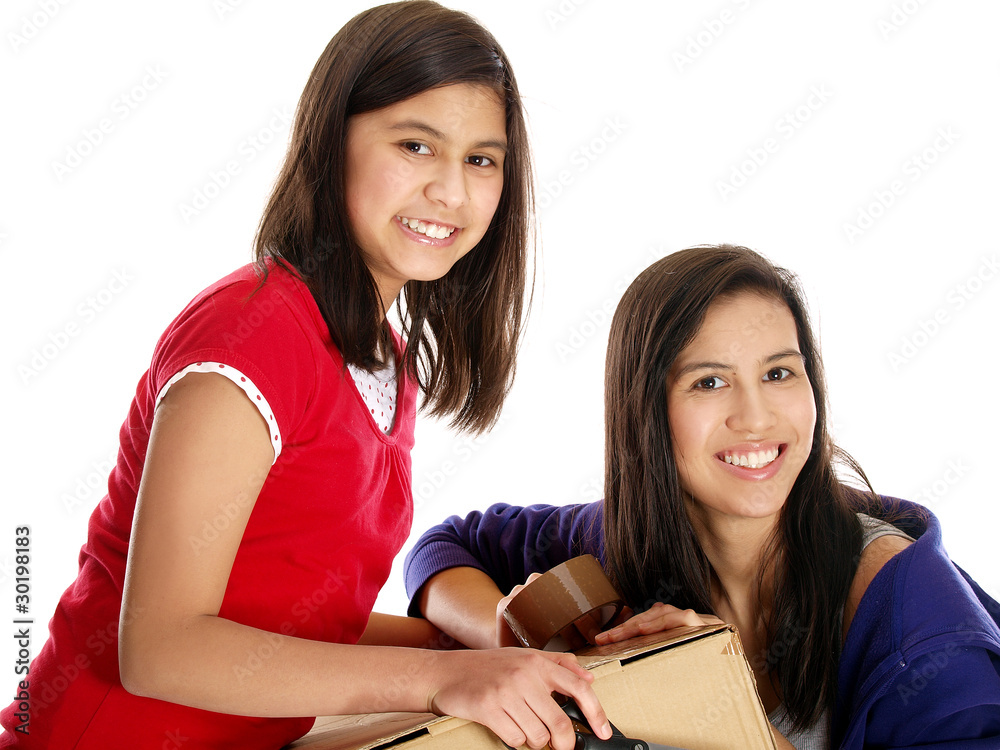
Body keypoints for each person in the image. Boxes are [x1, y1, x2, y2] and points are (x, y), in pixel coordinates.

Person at [0, 3, 612, 749]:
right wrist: (442, 677)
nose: (452, 191)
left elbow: (295, 619)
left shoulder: (381, 358)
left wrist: (474, 652)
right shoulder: (249, 334)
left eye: (482, 159)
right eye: (417, 145)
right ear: (331, 144)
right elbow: (159, 649)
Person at [405, 244, 1000, 749]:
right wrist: (506, 639)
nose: (756, 417)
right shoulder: (622, 539)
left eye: (778, 373)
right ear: (646, 414)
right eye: (709, 382)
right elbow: (447, 546)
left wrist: (713, 690)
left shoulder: (916, 616)